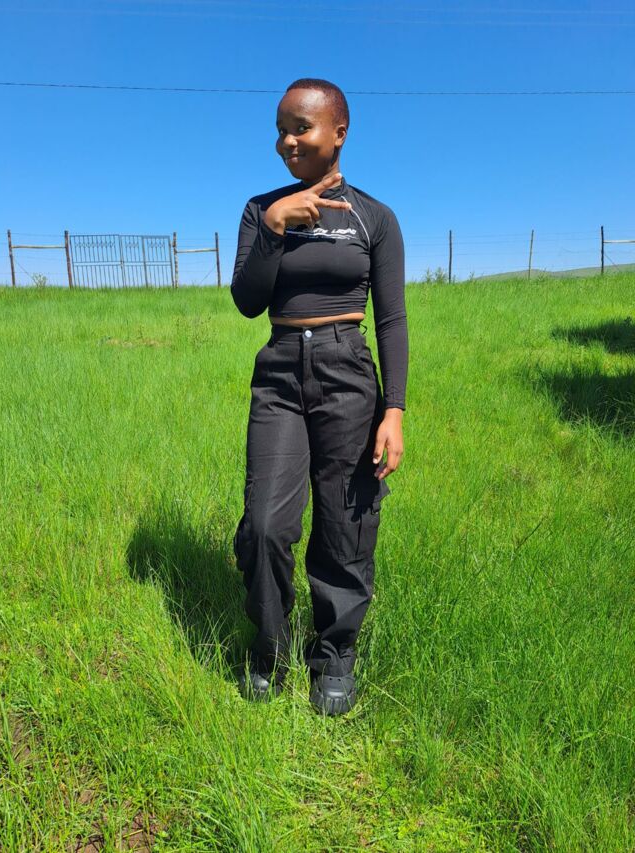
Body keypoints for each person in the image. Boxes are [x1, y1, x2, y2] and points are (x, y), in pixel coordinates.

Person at [230, 77, 408, 716]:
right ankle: (269, 648)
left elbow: (391, 319)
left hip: (346, 372)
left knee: (345, 522)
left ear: (339, 132)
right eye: (280, 130)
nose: (287, 141)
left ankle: (334, 656)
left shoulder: (373, 218)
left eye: (300, 128)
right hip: (280, 374)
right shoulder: (261, 209)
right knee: (265, 524)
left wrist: (394, 410)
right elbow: (248, 301)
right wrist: (276, 228)